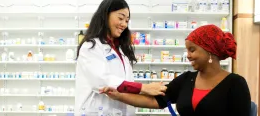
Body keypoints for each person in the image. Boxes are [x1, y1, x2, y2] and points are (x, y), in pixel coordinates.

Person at [100, 25, 251, 116]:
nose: (188, 55)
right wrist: (119, 96)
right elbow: (155, 101)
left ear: (209, 51)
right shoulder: (187, 79)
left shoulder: (235, 84)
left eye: (192, 50)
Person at [75, 0, 167, 115]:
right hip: (95, 111)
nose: (124, 24)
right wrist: (143, 87)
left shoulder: (121, 50)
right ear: (105, 15)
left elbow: (125, 83)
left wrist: (150, 91)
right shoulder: (91, 46)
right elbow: (102, 81)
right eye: (120, 18)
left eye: (127, 20)